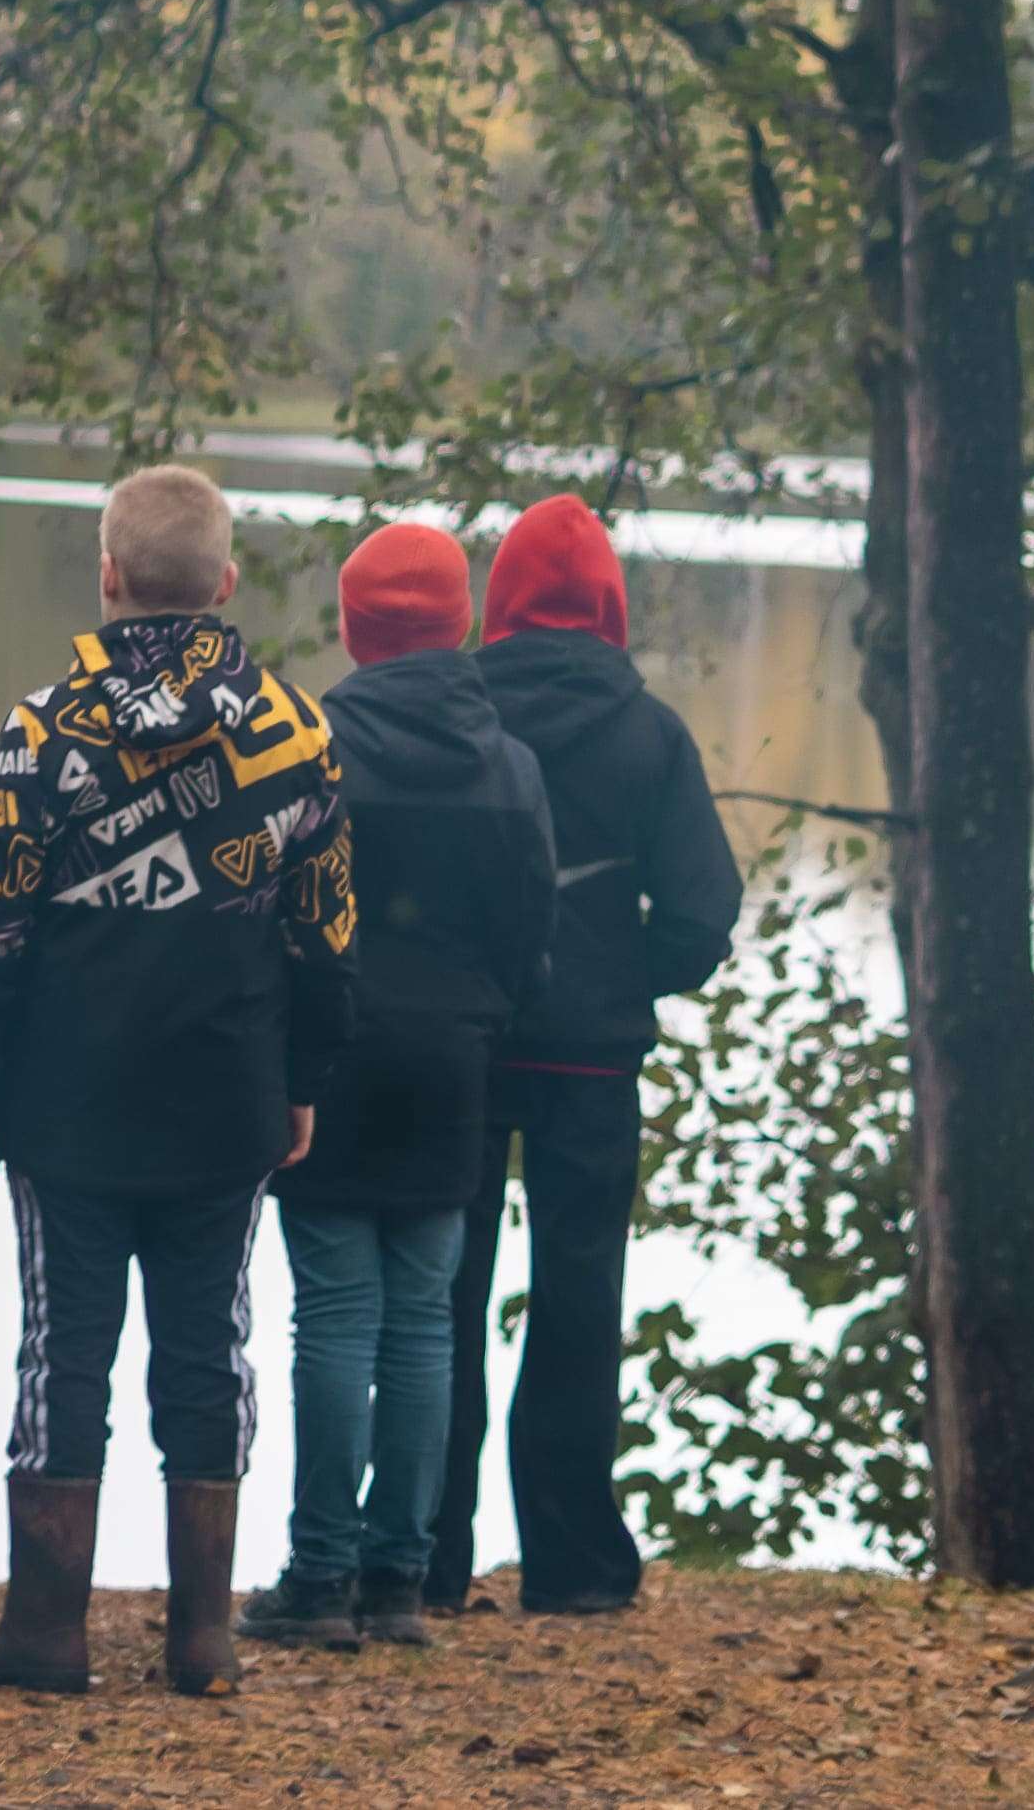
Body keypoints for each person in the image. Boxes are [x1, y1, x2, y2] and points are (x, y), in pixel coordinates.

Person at [0, 464, 354, 1702]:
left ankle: (48, 1630)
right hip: (227, 1091)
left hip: (66, 1096)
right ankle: (203, 1638)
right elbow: (327, 936)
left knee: (62, 1348)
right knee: (209, 1344)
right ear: (225, 582)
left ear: (108, 576)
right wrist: (305, 1079)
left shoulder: (40, 727)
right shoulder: (295, 728)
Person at [432, 493, 738, 1618]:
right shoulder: (650, 731)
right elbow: (706, 911)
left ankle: (427, 1552)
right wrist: (622, 978)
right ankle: (571, 1565)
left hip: (462, 1045)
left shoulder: (456, 718)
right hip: (593, 1065)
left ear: (501, 598)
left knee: (441, 1295)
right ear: (608, 603)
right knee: (576, 1301)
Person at [251, 520, 552, 1652]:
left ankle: (318, 1575)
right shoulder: (512, 763)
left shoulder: (310, 747)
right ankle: (397, 1580)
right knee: (426, 1318)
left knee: (333, 1309)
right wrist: (484, 1016)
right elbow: (534, 928)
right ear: (462, 623)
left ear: (353, 626)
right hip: (455, 1063)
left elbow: (271, 913)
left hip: (331, 1056)